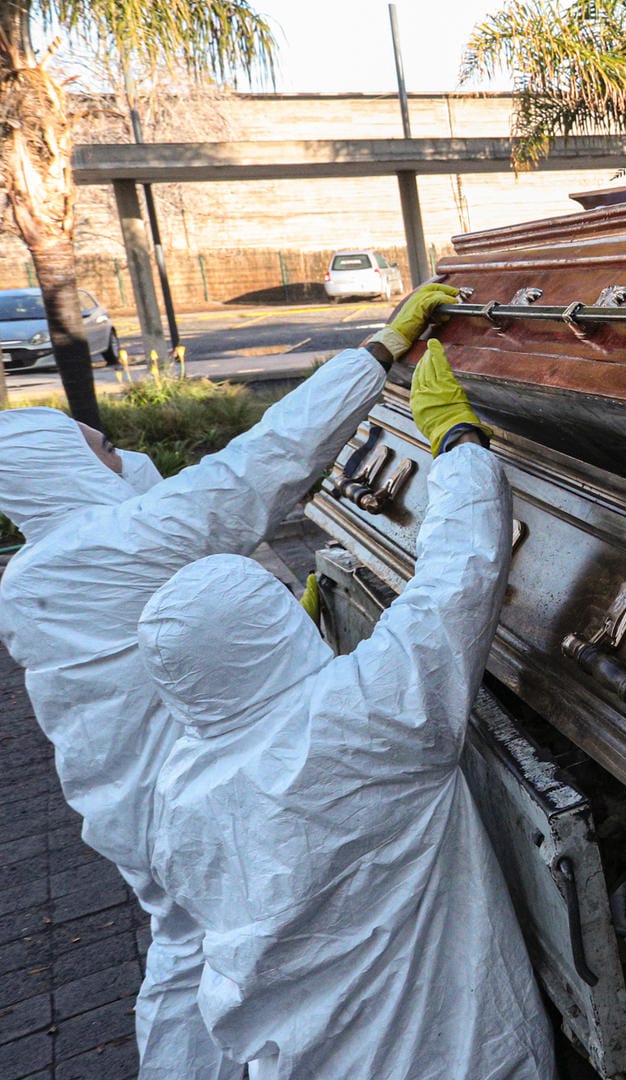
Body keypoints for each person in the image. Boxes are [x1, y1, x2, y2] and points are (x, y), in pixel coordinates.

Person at [0, 283, 460, 1079]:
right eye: (100, 449)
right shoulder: (102, 546)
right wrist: (378, 353)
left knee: (188, 949)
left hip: (127, 802)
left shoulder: (33, 571)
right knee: (207, 959)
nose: (120, 456)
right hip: (175, 808)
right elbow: (257, 469)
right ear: (57, 473)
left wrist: (281, 633)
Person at [139, 339, 554, 1080]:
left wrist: (300, 651)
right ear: (265, 637)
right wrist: (457, 443)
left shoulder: (176, 791)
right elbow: (460, 576)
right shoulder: (363, 716)